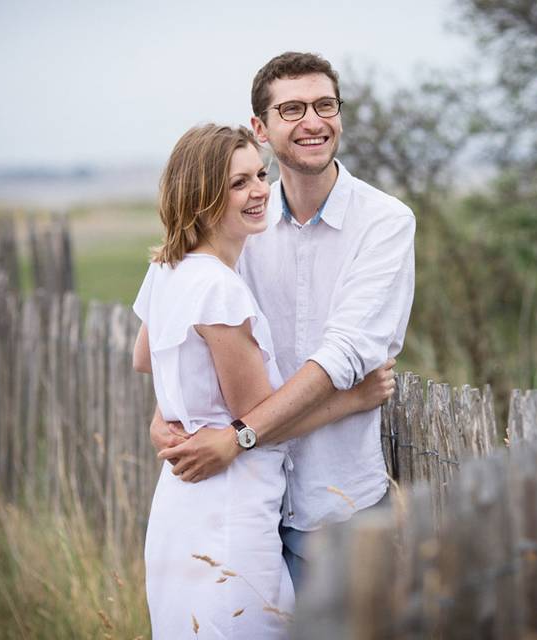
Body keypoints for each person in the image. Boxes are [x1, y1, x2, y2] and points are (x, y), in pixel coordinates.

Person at [152, 52, 417, 590]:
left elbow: (343, 356)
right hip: (244, 503)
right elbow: (194, 326)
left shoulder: (385, 222)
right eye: (292, 109)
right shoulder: (243, 222)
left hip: (335, 507)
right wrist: (168, 412)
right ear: (261, 128)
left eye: (325, 105)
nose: (313, 122)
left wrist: (239, 436)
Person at [132, 124, 395, 638]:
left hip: (180, 505)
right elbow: (263, 421)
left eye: (260, 174)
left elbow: (146, 357)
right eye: (238, 183)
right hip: (229, 505)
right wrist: (355, 398)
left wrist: (176, 409)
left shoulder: (169, 269)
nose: (259, 192)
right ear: (201, 194)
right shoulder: (218, 289)